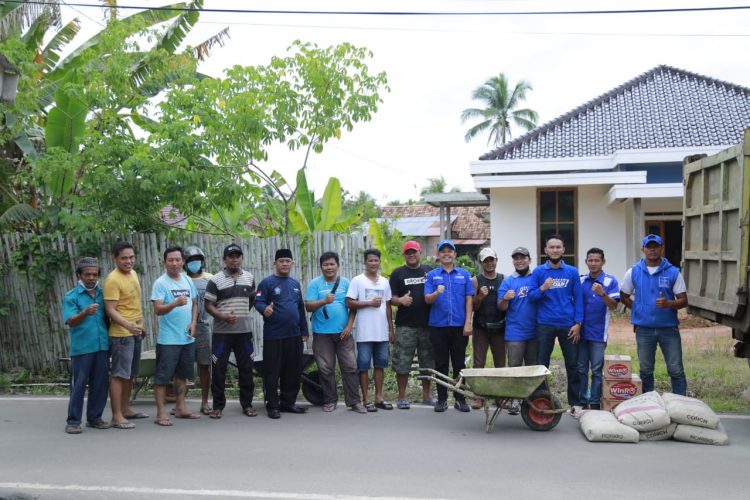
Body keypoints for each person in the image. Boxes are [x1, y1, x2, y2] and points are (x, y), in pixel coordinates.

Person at [620, 234, 688, 395]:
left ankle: (681, 403)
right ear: (643, 249)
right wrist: (638, 309)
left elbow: (684, 300)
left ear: (661, 248)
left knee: (676, 369)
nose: (652, 250)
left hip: (668, 329)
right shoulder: (633, 271)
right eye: (648, 247)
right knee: (646, 370)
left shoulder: (673, 272)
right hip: (644, 329)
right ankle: (649, 403)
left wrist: (669, 304)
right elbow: (623, 295)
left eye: (655, 246)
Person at [305, 252, 366, 414]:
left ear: (338, 266)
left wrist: (349, 326)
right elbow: (308, 306)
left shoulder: (346, 283)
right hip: (321, 333)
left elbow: (352, 306)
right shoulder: (314, 284)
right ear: (321, 267)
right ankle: (330, 400)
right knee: (325, 369)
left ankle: (354, 402)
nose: (329, 267)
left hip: (343, 334)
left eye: (332, 264)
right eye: (325, 264)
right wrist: (324, 301)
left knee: (351, 367)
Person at [530, 234, 584, 412]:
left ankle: (575, 403)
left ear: (563, 250)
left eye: (558, 247)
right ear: (546, 250)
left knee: (573, 364)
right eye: (551, 247)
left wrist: (578, 323)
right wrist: (543, 288)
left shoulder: (572, 272)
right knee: (541, 364)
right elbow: (531, 296)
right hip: (545, 324)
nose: (554, 250)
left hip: (568, 324)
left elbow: (579, 298)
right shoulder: (539, 272)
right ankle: (541, 401)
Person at [204, 243, 257, 419]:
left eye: (237, 256)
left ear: (241, 258)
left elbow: (251, 300)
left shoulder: (249, 278)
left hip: (244, 333)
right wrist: (223, 316)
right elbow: (208, 305)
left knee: (246, 369)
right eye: (231, 256)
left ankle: (247, 405)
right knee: (218, 370)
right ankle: (218, 407)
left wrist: (239, 317)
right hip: (222, 334)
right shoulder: (216, 280)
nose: (234, 259)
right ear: (225, 259)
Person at [255, 249, 309, 419]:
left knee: (293, 371)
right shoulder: (267, 283)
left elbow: (300, 308)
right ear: (275, 263)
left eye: (288, 261)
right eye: (281, 261)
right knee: (273, 372)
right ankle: (273, 406)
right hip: (274, 336)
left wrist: (304, 330)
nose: (285, 264)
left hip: (294, 335)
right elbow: (258, 301)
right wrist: (265, 309)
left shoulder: (295, 284)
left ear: (292, 263)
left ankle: (288, 402)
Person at [150, 246, 200, 426]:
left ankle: (181, 408)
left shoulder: (187, 281)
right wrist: (174, 303)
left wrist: (193, 323)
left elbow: (195, 304)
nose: (174, 263)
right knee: (163, 377)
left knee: (182, 375)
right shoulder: (160, 283)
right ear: (164, 263)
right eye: (170, 260)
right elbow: (157, 310)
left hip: (186, 338)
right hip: (168, 339)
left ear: (183, 262)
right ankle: (161, 413)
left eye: (178, 260)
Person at [424, 239, 474, 413]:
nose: (446, 253)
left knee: (460, 364)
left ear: (454, 254)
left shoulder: (464, 275)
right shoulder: (432, 276)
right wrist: (436, 292)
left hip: (460, 326)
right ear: (438, 255)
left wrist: (468, 322)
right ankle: (442, 399)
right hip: (438, 326)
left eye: (450, 251)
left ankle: (460, 398)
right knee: (441, 363)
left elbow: (469, 299)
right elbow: (427, 299)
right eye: (443, 251)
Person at [62, 257, 110, 434]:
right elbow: (71, 321)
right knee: (79, 385)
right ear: (79, 276)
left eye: (95, 275)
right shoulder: (71, 296)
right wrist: (85, 312)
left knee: (100, 384)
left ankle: (95, 418)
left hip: (102, 346)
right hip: (82, 348)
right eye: (88, 274)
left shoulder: (103, 294)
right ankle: (73, 421)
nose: (91, 278)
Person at [103, 241, 148, 429]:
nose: (128, 261)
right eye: (124, 258)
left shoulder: (133, 274)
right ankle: (117, 416)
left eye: (131, 257)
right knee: (119, 375)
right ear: (115, 259)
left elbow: (133, 305)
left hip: (134, 331)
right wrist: (129, 325)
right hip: (121, 334)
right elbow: (110, 310)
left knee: (130, 374)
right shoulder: (113, 280)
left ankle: (126, 409)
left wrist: (139, 326)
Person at [346, 248, 394, 412]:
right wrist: (368, 303)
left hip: (381, 332)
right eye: (370, 260)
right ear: (365, 262)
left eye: (376, 260)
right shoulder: (357, 281)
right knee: (364, 366)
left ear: (380, 262)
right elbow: (349, 302)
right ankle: (366, 399)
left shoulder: (385, 282)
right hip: (364, 333)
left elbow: (388, 306)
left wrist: (391, 329)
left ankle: (379, 397)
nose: (373, 263)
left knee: (380, 365)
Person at [389, 240, 435, 410]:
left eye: (414, 251)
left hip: (428, 325)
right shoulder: (397, 274)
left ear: (420, 252)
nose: (411, 255)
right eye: (408, 252)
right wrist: (400, 300)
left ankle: (427, 395)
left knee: (428, 362)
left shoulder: (429, 271)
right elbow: (390, 298)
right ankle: (402, 397)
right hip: (405, 326)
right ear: (404, 255)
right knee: (402, 362)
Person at [498, 246, 539, 415]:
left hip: (536, 331)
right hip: (515, 332)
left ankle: (530, 400)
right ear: (513, 261)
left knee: (532, 368)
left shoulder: (536, 278)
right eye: (516, 258)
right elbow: (500, 306)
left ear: (529, 260)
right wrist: (505, 299)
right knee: (514, 367)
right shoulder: (508, 281)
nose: (519, 261)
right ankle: (514, 399)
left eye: (523, 257)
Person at [578, 248, 620, 410]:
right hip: (580, 333)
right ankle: (583, 401)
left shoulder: (610, 281)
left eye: (597, 260)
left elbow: (614, 306)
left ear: (603, 262)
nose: (593, 263)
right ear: (586, 262)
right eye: (590, 260)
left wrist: (603, 294)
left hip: (598, 334)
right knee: (581, 369)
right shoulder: (580, 280)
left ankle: (594, 402)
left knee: (596, 370)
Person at [470, 247, 506, 409]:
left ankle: (500, 397)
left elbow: (506, 304)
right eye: (486, 261)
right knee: (479, 363)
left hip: (499, 327)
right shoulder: (476, 280)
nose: (489, 263)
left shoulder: (503, 279)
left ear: (496, 260)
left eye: (492, 260)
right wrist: (480, 296)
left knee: (500, 364)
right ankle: (478, 396)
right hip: (481, 327)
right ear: (480, 263)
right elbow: (473, 307)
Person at [183, 245, 213, 415]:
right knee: (181, 366)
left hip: (202, 326)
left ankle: (204, 401)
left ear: (202, 261)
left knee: (204, 364)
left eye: (197, 260)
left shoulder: (210, 279)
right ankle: (180, 402)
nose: (194, 263)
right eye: (190, 261)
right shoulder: (180, 279)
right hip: (182, 327)